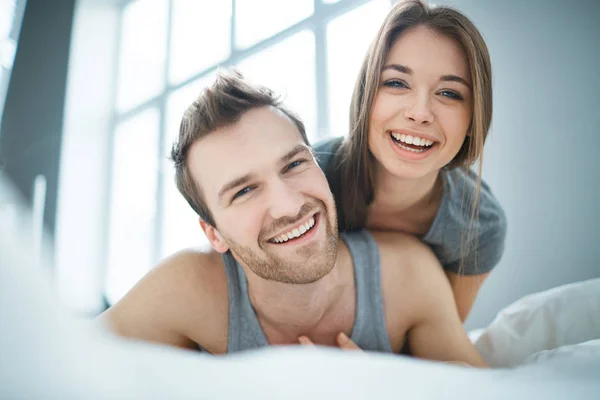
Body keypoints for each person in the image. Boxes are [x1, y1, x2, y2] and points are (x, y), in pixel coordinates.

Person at [100, 69, 486, 367]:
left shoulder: (406, 274)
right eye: (244, 191)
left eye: (294, 164)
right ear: (214, 234)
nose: (287, 205)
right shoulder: (186, 290)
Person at [315, 0, 507, 322]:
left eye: (449, 93)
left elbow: (437, 345)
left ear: (474, 118)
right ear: (366, 94)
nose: (419, 113)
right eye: (396, 83)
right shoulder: (312, 177)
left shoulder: (479, 227)